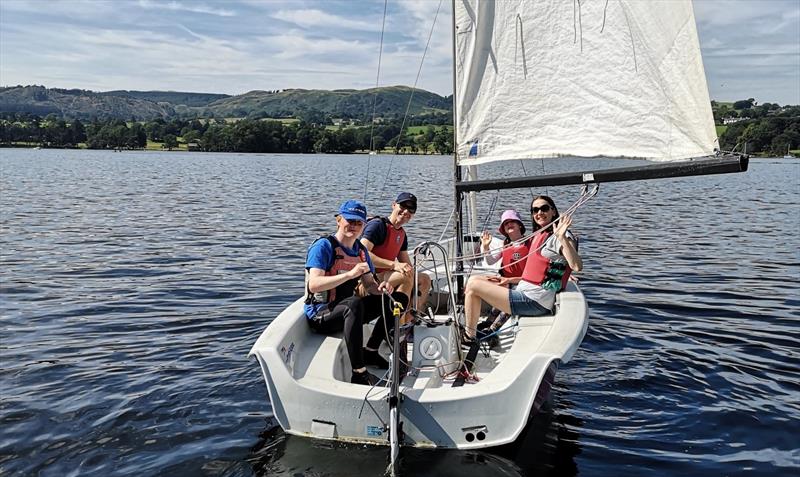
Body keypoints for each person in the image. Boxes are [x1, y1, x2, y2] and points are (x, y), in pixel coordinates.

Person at [305, 200, 409, 386]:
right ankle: (359, 373)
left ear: (363, 226)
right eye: (349, 221)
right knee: (353, 304)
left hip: (347, 311)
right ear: (339, 220)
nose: (353, 226)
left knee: (397, 299)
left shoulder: (360, 252)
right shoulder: (323, 246)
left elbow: (369, 285)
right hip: (321, 314)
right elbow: (314, 285)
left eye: (358, 223)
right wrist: (350, 275)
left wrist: (382, 287)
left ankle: (370, 350)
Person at [462, 196, 583, 345]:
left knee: (474, 287)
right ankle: (477, 330)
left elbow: (576, 266)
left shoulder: (560, 236)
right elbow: (539, 271)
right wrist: (508, 279)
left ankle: (469, 337)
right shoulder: (540, 235)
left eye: (544, 208)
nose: (539, 212)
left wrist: (562, 237)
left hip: (535, 302)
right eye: (535, 210)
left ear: (553, 211)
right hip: (523, 291)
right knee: (474, 280)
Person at [360, 192, 432, 319]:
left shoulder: (401, 234)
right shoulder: (378, 226)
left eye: (411, 209)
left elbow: (406, 263)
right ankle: (397, 324)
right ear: (394, 205)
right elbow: (362, 253)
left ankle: (409, 321)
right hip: (368, 281)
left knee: (424, 279)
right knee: (405, 276)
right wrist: (394, 264)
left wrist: (407, 269)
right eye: (403, 206)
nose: (406, 211)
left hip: (386, 276)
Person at [471, 209, 532, 338]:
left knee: (507, 305)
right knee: (495, 306)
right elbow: (490, 260)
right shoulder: (505, 244)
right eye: (505, 223)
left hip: (522, 282)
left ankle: (492, 329)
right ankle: (487, 322)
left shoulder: (531, 243)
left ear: (520, 225)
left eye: (512, 222)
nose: (508, 224)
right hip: (506, 281)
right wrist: (486, 247)